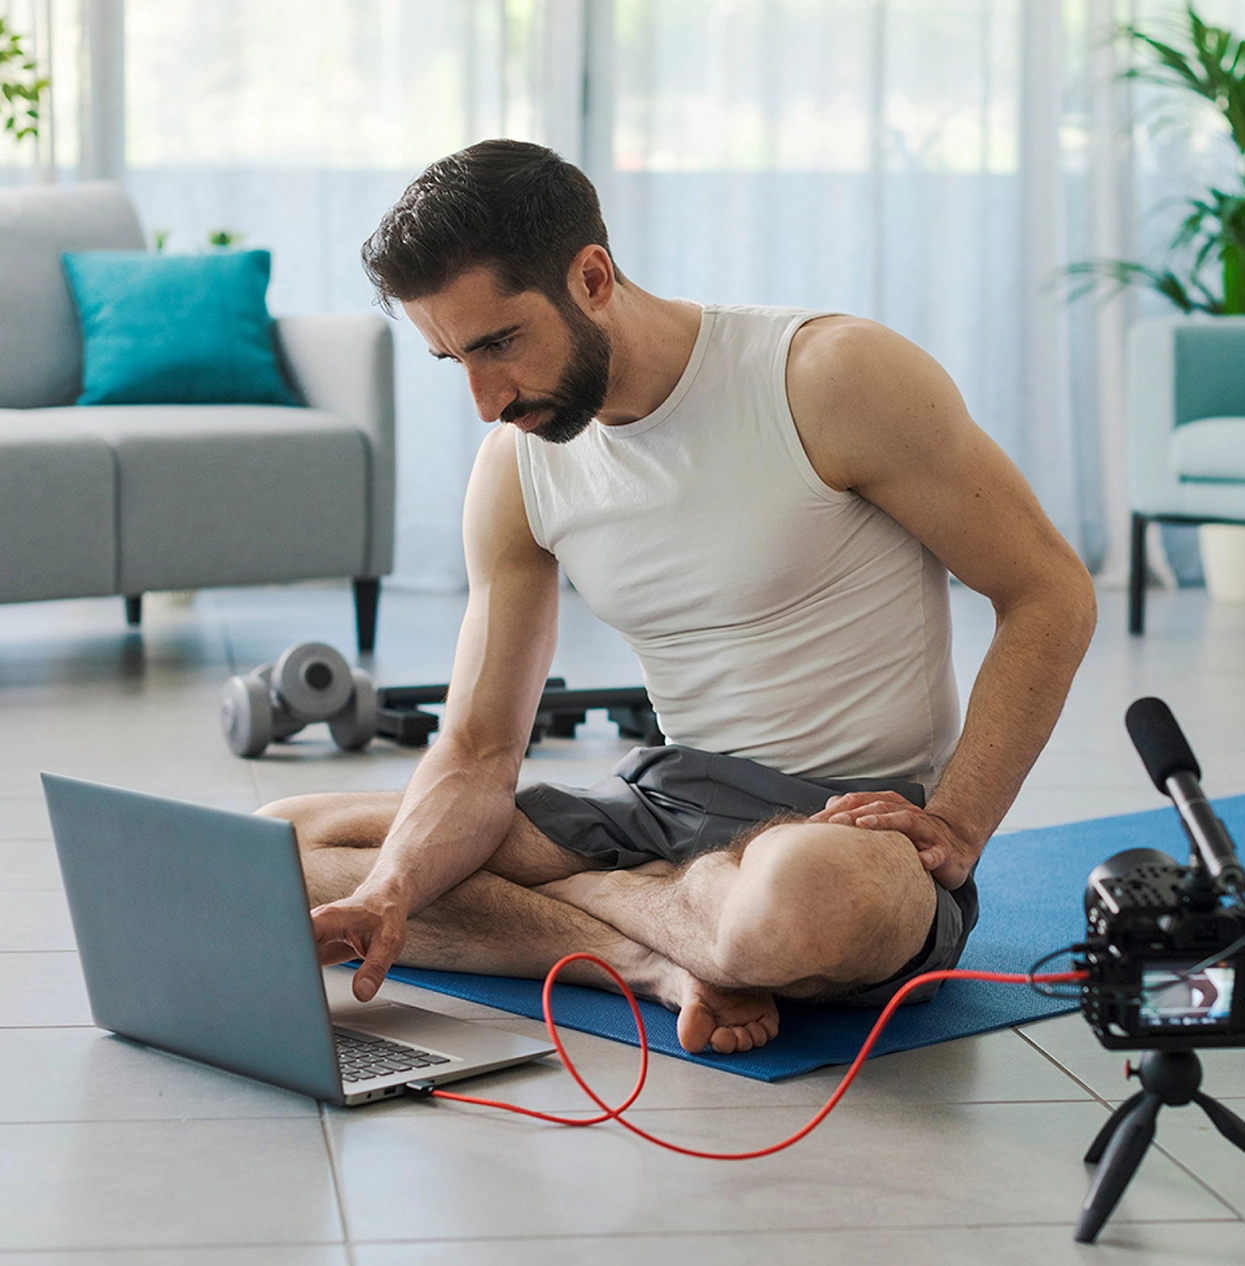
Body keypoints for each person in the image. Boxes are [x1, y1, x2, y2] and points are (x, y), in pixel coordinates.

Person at [260, 139, 1096, 1055]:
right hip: (661, 806)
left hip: (840, 829)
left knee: (792, 909)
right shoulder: (517, 463)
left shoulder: (826, 376)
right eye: (449, 358)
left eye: (498, 343)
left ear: (591, 277)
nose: (485, 399)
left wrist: (959, 824)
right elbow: (476, 747)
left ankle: (611, 910)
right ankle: (657, 958)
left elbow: (1048, 592)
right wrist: (387, 895)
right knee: (279, 849)